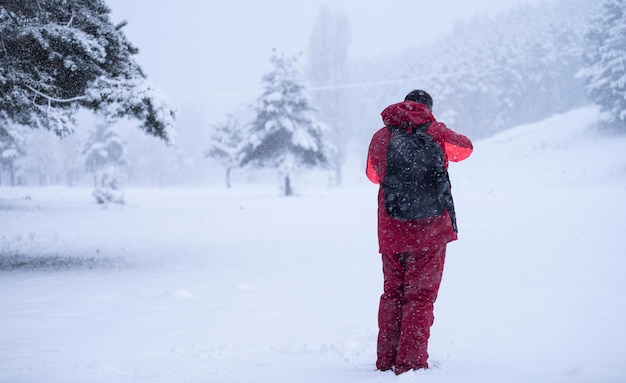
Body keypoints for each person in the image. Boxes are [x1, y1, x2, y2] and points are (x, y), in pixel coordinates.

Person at [366, 90, 473, 374]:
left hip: (392, 229)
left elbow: (373, 175)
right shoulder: (435, 130)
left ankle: (386, 360)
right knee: (420, 296)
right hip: (431, 229)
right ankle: (410, 364)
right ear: (427, 108)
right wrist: (433, 129)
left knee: (393, 293)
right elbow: (466, 149)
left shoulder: (381, 136)